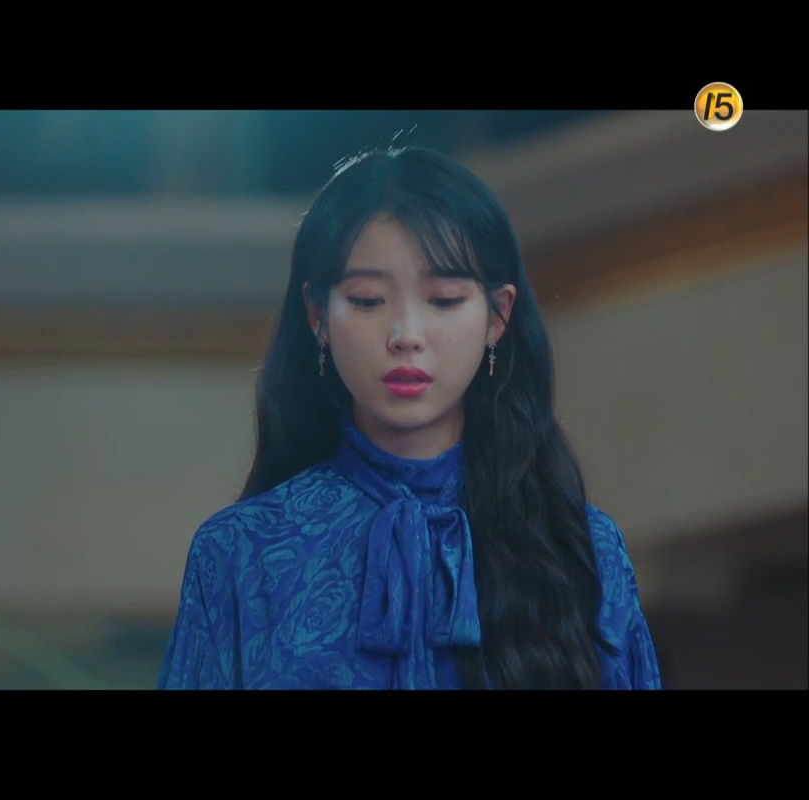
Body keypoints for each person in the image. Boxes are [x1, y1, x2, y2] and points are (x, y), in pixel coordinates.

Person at [156, 145, 663, 690]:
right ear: (318, 315)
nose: (406, 336)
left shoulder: (581, 550)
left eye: (443, 300)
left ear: (498, 316)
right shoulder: (240, 554)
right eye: (368, 300)